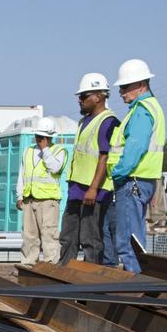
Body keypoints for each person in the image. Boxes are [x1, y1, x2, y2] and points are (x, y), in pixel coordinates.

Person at [108, 58, 166, 272]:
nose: (121, 91)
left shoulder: (142, 109)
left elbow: (135, 147)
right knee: (135, 234)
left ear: (141, 85)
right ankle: (137, 279)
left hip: (132, 179)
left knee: (128, 239)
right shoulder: (149, 107)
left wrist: (117, 172)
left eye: (125, 86)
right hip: (142, 180)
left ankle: (135, 284)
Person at [60, 74, 118, 265]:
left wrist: (93, 187)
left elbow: (104, 156)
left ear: (98, 97)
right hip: (77, 189)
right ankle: (64, 273)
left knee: (90, 239)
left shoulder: (108, 121)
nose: (80, 100)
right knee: (68, 236)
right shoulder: (83, 121)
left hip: (93, 192)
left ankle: (90, 282)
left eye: (84, 96)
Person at [16, 116, 67, 267]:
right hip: (29, 199)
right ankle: (28, 264)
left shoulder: (59, 151)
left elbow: (54, 168)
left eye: (42, 136)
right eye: (38, 136)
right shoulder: (28, 151)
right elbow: (22, 174)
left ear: (49, 137)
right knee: (29, 236)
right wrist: (20, 195)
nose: (39, 139)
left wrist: (45, 150)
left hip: (48, 201)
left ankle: (50, 265)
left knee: (49, 234)